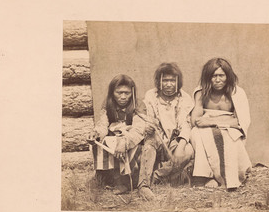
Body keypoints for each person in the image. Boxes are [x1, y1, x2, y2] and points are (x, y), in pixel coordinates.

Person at [190, 57, 252, 190]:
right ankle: (208, 176)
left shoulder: (236, 93)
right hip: (204, 128)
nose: (217, 80)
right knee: (198, 134)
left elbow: (240, 121)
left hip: (228, 128)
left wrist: (212, 121)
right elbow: (196, 119)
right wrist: (207, 123)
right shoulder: (201, 92)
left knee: (228, 137)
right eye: (213, 76)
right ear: (207, 77)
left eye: (221, 76)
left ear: (228, 76)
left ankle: (230, 178)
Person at [137, 63, 194, 201]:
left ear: (178, 81)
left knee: (189, 150)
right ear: (159, 81)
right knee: (150, 144)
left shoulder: (185, 99)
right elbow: (148, 118)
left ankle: (156, 177)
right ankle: (144, 186)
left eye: (172, 80)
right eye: (165, 80)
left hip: (174, 142)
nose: (169, 84)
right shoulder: (151, 96)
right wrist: (148, 126)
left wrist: (180, 148)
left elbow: (186, 125)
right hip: (157, 138)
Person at [87, 74, 145, 194]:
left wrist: (124, 142)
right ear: (112, 92)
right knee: (101, 142)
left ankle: (126, 182)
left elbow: (139, 129)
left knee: (131, 147)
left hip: (131, 138)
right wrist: (95, 133)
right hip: (114, 136)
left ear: (132, 93)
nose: (123, 97)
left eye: (127, 93)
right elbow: (103, 124)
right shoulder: (108, 104)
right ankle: (108, 178)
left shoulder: (137, 104)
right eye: (119, 93)